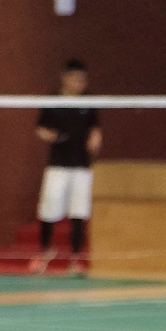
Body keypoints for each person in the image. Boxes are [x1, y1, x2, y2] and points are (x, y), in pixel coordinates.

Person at [34, 58, 103, 274]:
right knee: (48, 209)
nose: (80, 83)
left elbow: (95, 126)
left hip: (81, 165)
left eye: (83, 80)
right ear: (65, 78)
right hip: (58, 164)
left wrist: (95, 138)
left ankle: (75, 259)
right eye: (75, 79)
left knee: (78, 212)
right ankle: (45, 252)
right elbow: (40, 127)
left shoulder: (88, 101)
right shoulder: (53, 100)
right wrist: (49, 135)